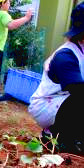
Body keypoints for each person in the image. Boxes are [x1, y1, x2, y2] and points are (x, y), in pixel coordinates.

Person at [28, 2, 84, 155]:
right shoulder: (66, 56)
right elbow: (78, 91)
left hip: (63, 101)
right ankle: (55, 136)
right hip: (47, 104)